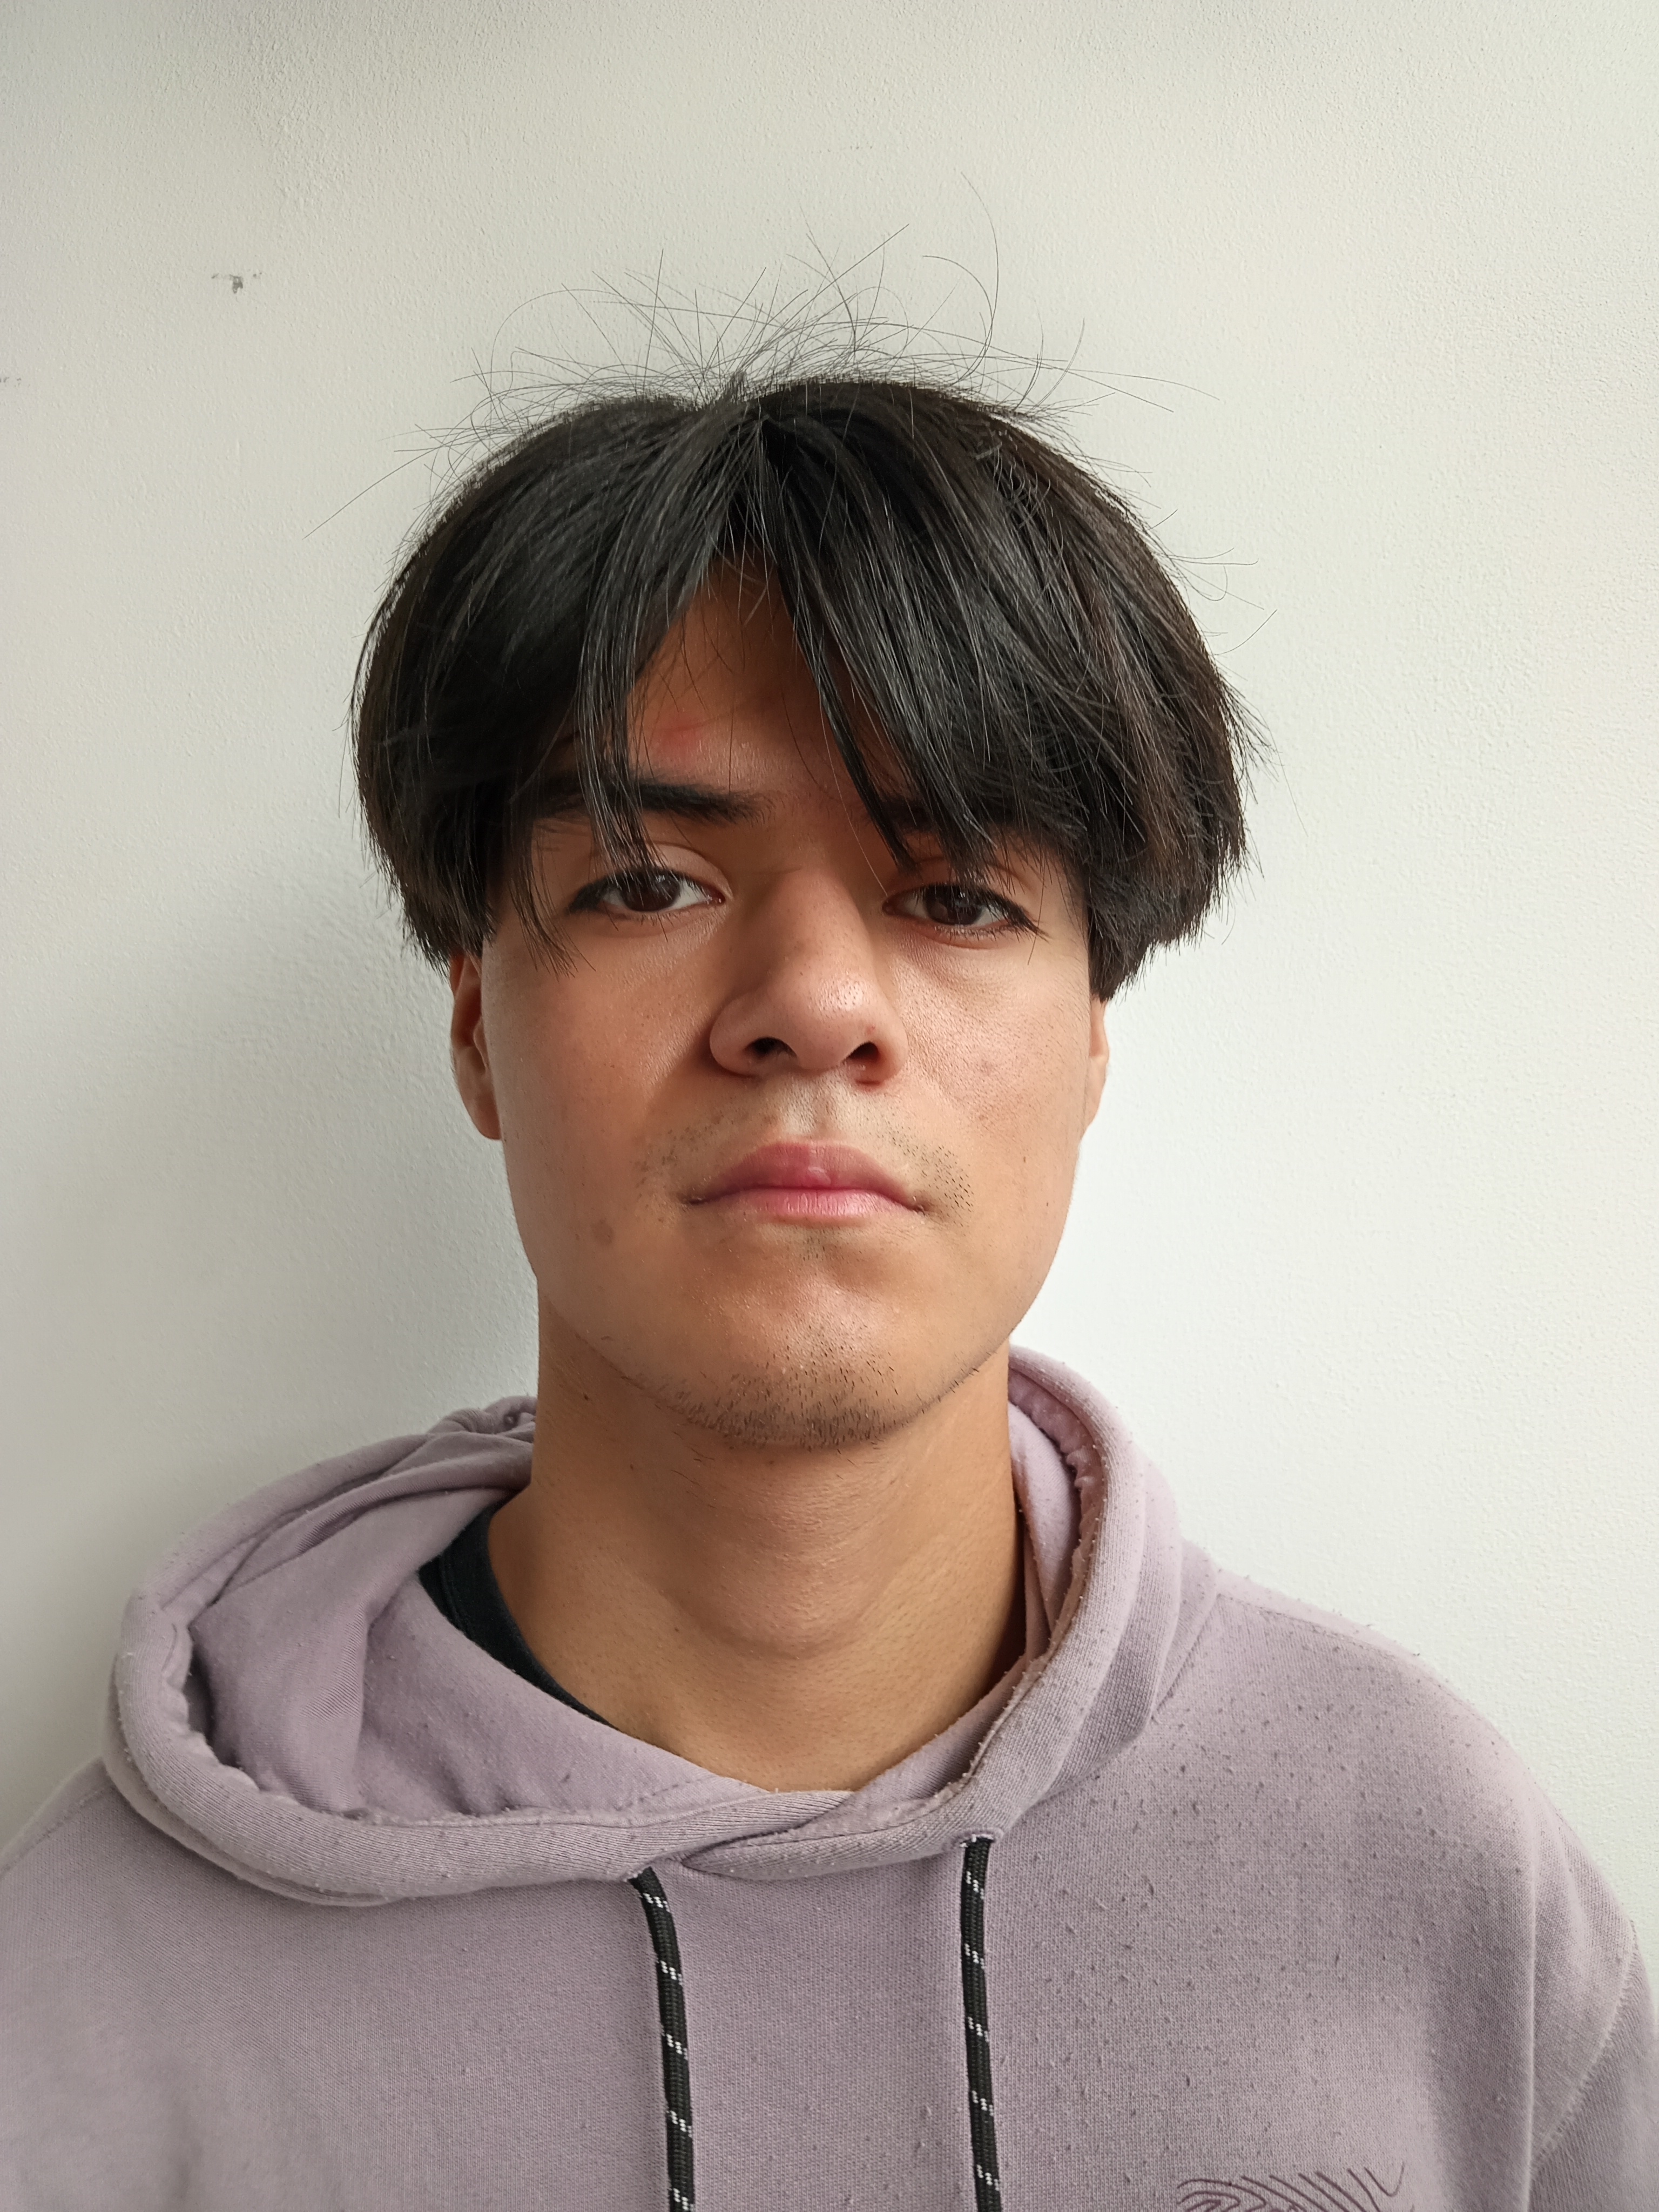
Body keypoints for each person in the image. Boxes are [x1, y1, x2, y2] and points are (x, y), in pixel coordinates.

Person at [2, 371, 1654, 2211]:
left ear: (1090, 1045)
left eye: (955, 898)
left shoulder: (1434, 1874)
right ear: (475, 1027)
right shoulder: (86, 2001)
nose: (814, 1000)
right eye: (650, 882)